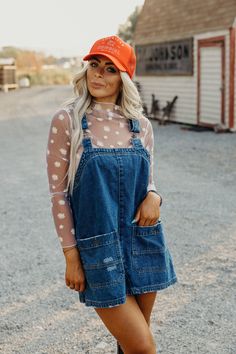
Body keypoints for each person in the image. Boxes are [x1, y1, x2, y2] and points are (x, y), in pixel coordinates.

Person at [46, 35, 177, 354]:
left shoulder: (141, 125)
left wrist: (154, 197)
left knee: (130, 345)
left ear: (124, 78)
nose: (98, 74)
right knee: (143, 347)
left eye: (110, 69)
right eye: (94, 65)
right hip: (98, 250)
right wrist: (71, 256)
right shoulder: (68, 121)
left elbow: (149, 182)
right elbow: (59, 195)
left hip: (143, 242)